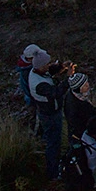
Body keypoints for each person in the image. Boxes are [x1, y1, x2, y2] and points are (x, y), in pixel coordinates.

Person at [24, 51, 66, 180]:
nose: (49, 65)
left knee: (53, 140)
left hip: (49, 113)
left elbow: (49, 71)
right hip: (50, 115)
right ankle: (53, 173)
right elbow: (56, 92)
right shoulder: (39, 84)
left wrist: (61, 67)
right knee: (53, 143)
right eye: (47, 64)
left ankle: (55, 166)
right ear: (41, 66)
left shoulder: (37, 71)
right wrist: (69, 79)